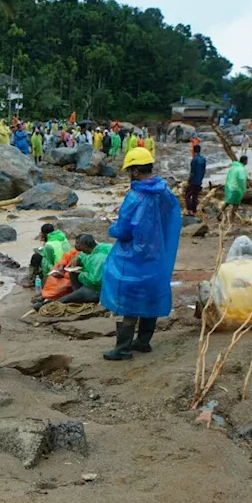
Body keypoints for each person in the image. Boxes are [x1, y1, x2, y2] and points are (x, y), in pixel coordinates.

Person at [101, 148, 180, 360]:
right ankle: (143, 342)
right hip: (156, 256)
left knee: (128, 302)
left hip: (134, 258)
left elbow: (125, 230)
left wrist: (112, 229)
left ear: (135, 172)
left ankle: (123, 349)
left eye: (129, 171)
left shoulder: (134, 197)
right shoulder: (165, 193)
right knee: (150, 297)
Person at [53, 234, 111, 304]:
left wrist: (80, 274)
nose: (76, 246)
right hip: (90, 284)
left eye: (78, 244)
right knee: (72, 274)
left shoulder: (99, 259)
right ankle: (78, 294)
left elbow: (95, 280)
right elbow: (83, 255)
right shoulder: (91, 251)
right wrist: (77, 258)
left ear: (85, 246)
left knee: (67, 298)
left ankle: (52, 304)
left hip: (98, 290)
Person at [184, 144, 207, 216]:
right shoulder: (203, 159)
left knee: (187, 195)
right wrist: (201, 179)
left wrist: (188, 181)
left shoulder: (194, 160)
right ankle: (194, 211)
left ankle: (189, 210)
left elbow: (192, 173)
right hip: (199, 181)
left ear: (194, 151)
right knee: (195, 196)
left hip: (193, 181)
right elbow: (204, 171)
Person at [224, 155, 248, 219]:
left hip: (228, 186)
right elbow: (241, 180)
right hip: (236, 188)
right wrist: (243, 189)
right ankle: (232, 220)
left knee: (227, 202)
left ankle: (219, 214)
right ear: (245, 161)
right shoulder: (242, 169)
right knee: (236, 204)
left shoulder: (233, 167)